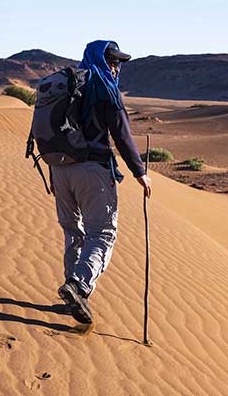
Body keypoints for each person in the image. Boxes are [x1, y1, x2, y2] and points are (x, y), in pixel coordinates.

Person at [52, 40, 152, 324]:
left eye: (118, 62)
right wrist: (139, 172)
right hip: (92, 171)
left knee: (73, 231)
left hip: (60, 169)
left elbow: (53, 133)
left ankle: (73, 291)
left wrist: (52, 174)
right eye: (113, 60)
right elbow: (122, 135)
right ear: (102, 59)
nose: (116, 66)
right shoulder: (105, 87)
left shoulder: (67, 86)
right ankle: (79, 286)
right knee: (102, 233)